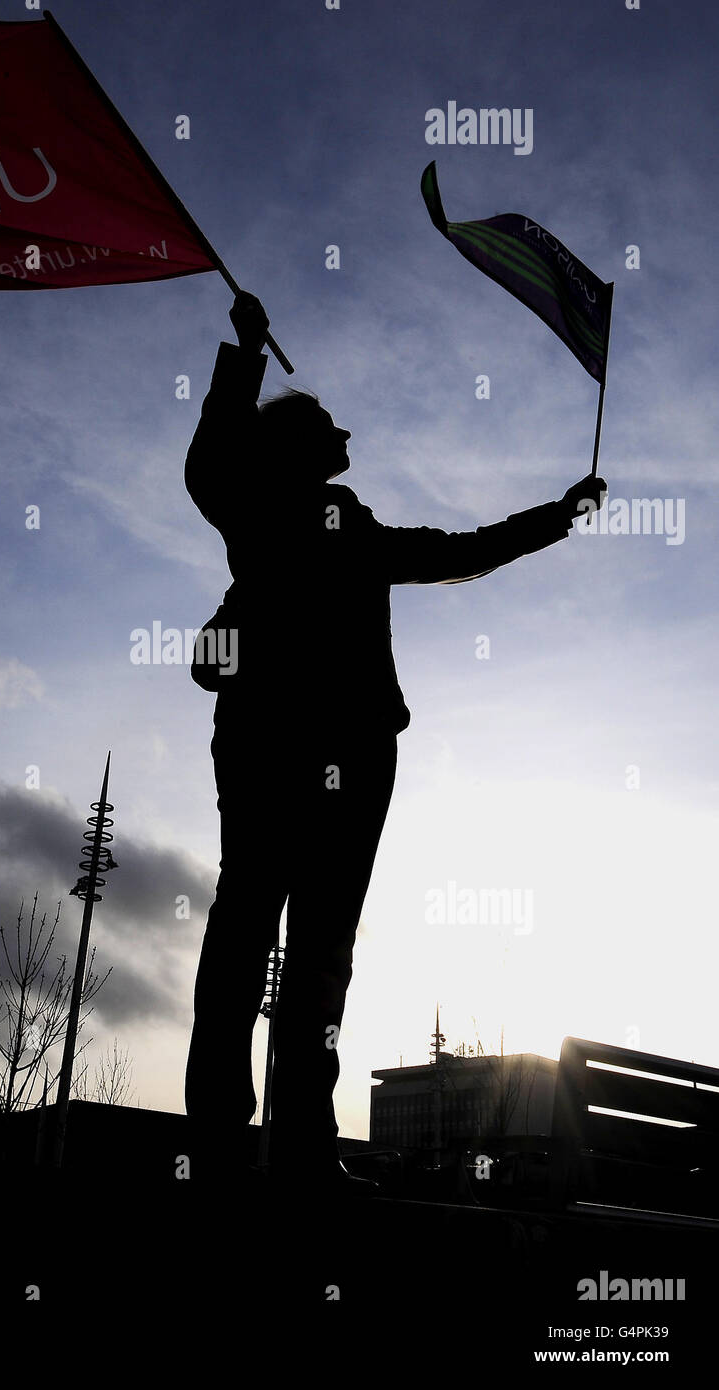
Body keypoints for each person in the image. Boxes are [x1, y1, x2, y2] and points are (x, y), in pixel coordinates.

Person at [183, 291, 606, 1188]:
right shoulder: (260, 512)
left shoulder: (355, 530)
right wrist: (244, 351)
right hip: (281, 750)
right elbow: (214, 464)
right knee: (258, 935)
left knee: (305, 950)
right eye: (332, 426)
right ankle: (237, 1141)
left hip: (337, 756)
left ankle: (286, 1145)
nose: (348, 436)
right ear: (300, 448)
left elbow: (466, 549)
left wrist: (558, 516)